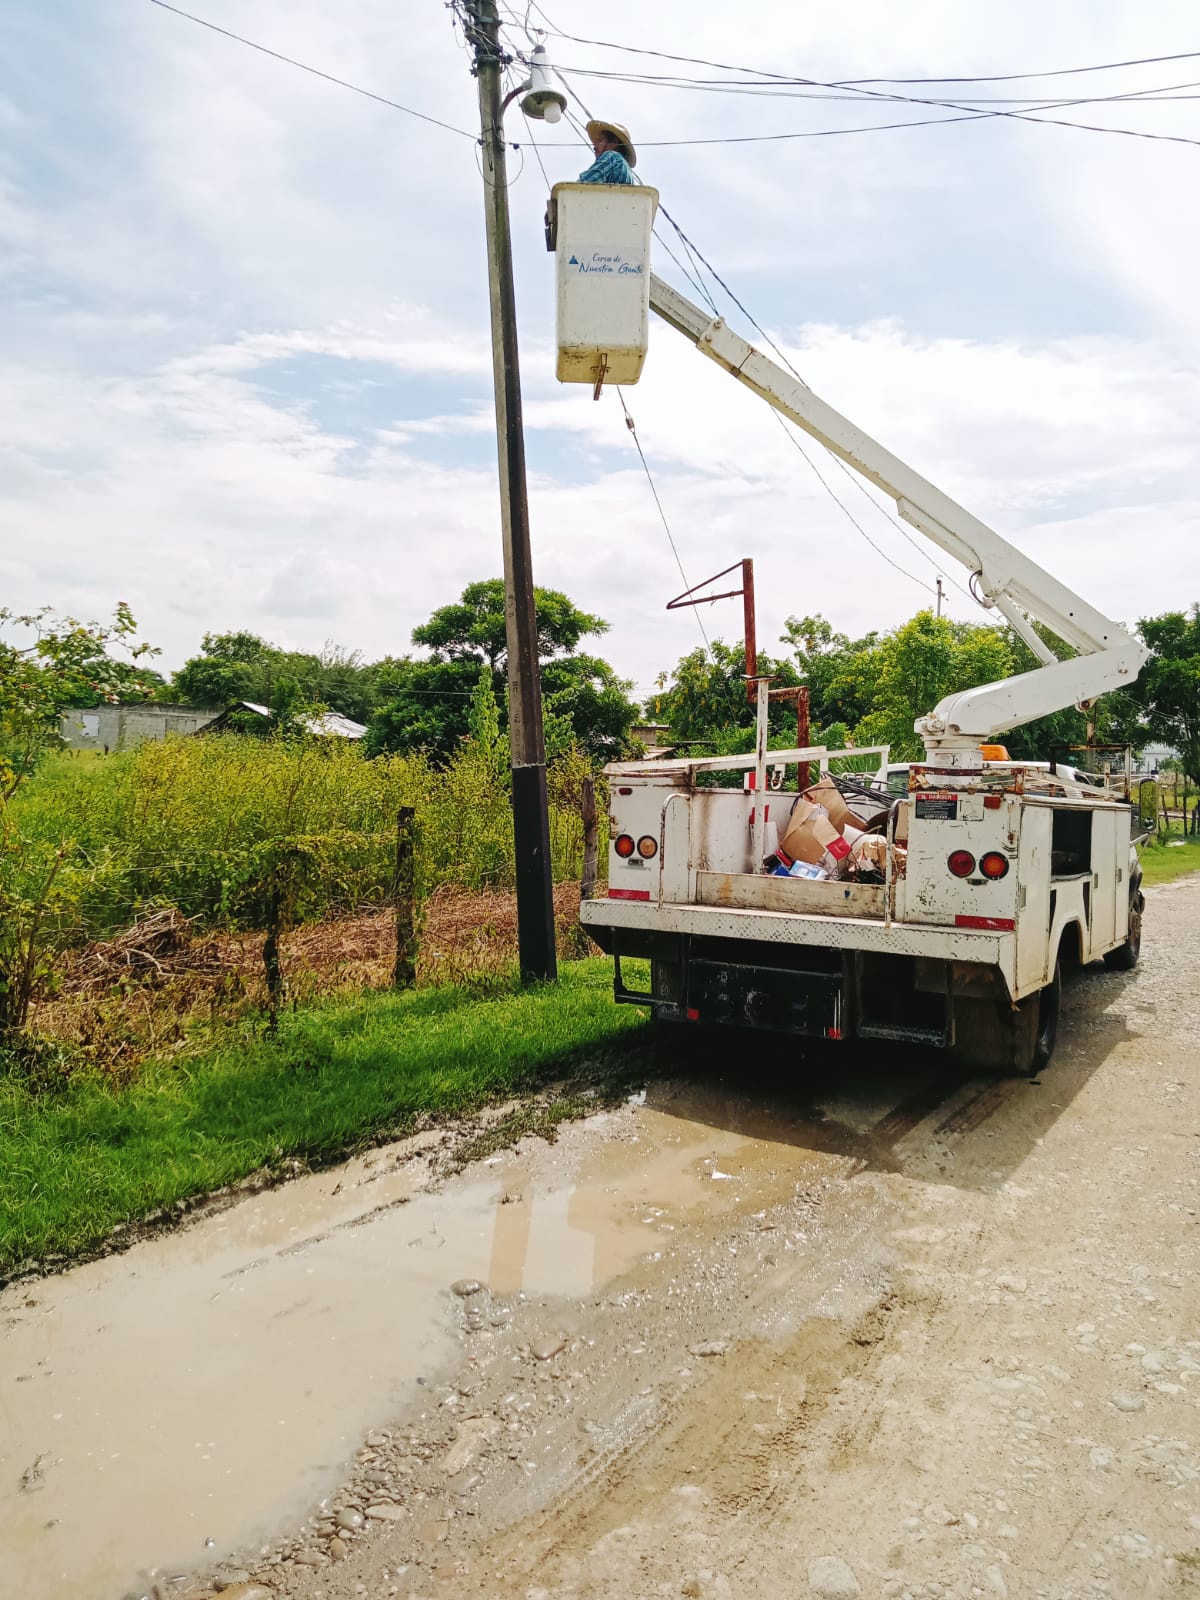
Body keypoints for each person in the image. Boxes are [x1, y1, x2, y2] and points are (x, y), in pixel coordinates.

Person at [578, 120, 637, 185]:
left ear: (614, 143)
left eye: (600, 140)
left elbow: (585, 183)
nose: (594, 147)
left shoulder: (612, 156)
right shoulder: (624, 167)